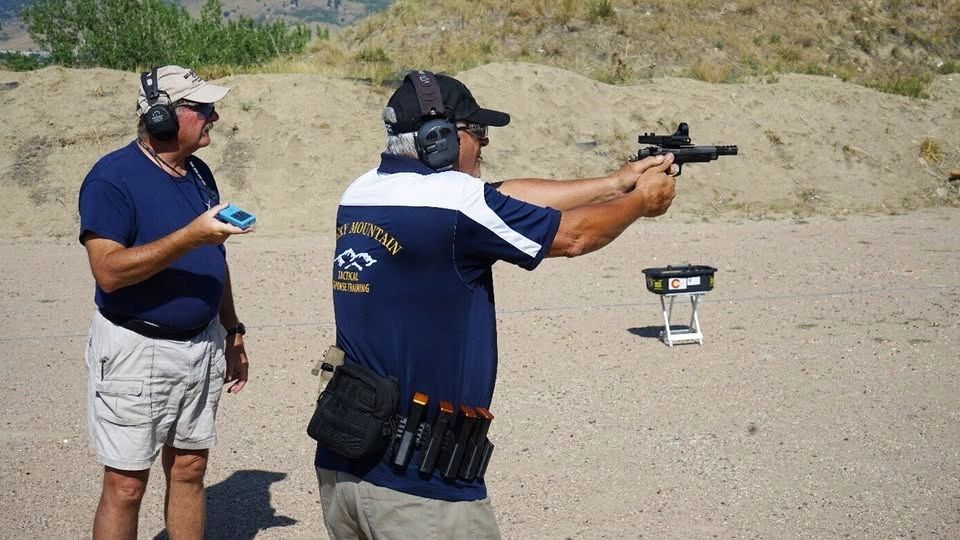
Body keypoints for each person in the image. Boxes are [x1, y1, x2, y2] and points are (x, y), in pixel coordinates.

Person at [314, 70, 676, 539]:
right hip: (421, 489)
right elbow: (575, 237)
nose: (483, 144)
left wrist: (614, 184)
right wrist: (640, 202)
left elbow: (500, 196)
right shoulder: (457, 205)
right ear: (440, 137)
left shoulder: (360, 192)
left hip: (345, 461)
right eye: (477, 131)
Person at [78, 65, 252, 539]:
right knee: (126, 485)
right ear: (163, 116)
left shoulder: (198, 172)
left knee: (190, 468)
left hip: (202, 344)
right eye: (203, 108)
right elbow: (108, 271)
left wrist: (232, 330)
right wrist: (190, 236)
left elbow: (216, 258)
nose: (215, 116)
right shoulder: (111, 179)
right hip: (137, 349)